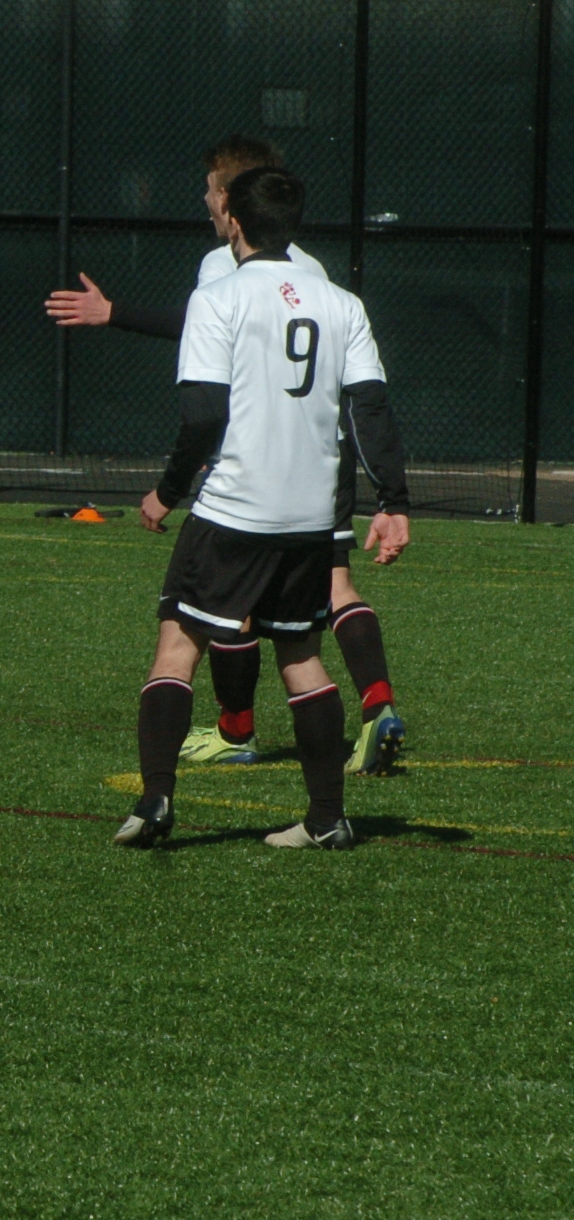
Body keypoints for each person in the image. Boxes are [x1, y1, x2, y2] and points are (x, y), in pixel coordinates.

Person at [46, 134, 406, 777]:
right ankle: (375, 710)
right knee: (328, 597)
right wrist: (394, 498)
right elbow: (363, 395)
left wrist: (115, 313)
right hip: (322, 461)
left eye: (213, 190)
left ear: (233, 204)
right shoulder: (314, 273)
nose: (207, 201)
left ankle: (231, 733)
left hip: (252, 462)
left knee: (223, 607)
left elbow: (203, 331)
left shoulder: (226, 266)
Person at [115, 166, 411, 852]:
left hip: (233, 510)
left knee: (177, 646)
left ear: (235, 222)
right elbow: (370, 409)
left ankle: (156, 800)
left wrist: (167, 491)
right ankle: (327, 817)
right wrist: (393, 502)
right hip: (311, 517)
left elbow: (201, 414)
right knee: (302, 656)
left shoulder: (216, 298)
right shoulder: (343, 303)